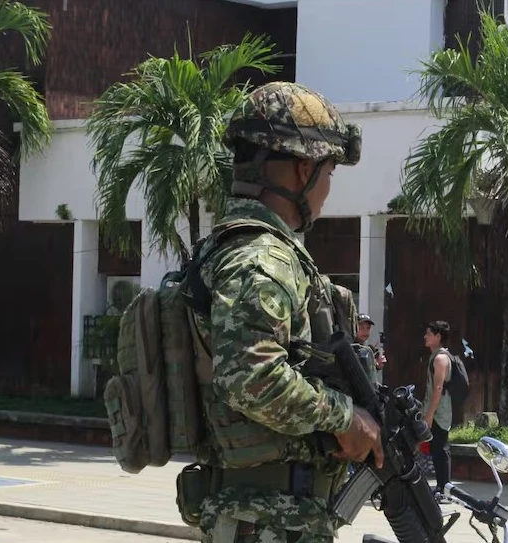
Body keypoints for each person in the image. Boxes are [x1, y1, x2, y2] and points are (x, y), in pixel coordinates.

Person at [189, 81, 383, 543]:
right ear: (303, 170)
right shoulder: (262, 258)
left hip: (272, 517)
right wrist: (345, 418)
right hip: (269, 521)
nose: (328, 189)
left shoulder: (240, 248)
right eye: (329, 172)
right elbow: (250, 376)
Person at [422, 320, 454, 499]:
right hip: (437, 410)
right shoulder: (436, 357)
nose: (425, 337)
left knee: (441, 449)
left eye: (428, 333)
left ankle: (445, 489)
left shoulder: (440, 359)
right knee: (437, 449)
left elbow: (438, 388)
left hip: (440, 412)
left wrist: (430, 415)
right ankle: (442, 487)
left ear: (438, 336)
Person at [355, 313, 387, 385]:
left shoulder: (366, 349)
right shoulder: (351, 348)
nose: (365, 331)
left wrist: (376, 366)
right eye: (361, 328)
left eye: (368, 328)